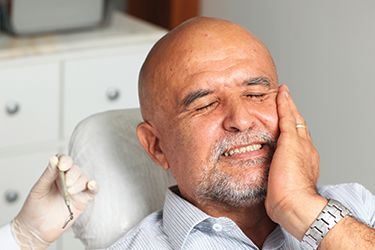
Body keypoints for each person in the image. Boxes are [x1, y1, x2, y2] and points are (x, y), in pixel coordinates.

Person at [1, 16, 374, 249]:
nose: (242, 120)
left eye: (257, 94)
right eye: (205, 104)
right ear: (157, 146)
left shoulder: (356, 210)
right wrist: (20, 241)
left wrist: (302, 209)